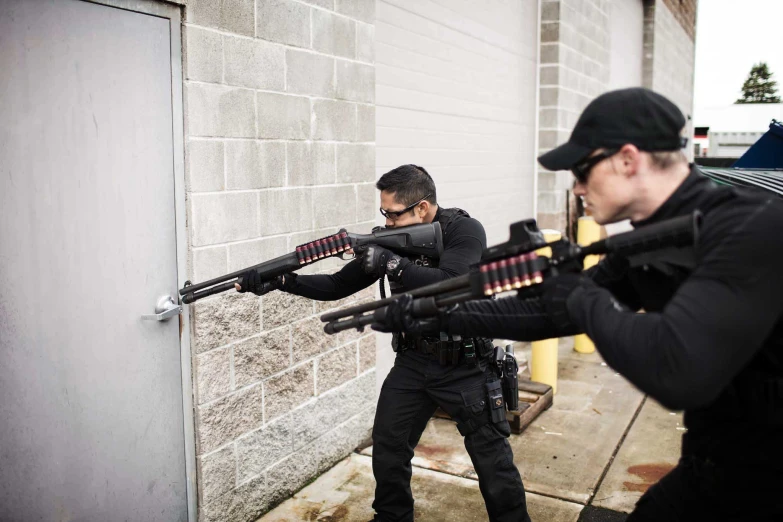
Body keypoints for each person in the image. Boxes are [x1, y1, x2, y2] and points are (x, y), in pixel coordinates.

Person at [373, 88, 783, 521]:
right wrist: (432, 312)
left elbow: (679, 370)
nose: (577, 187)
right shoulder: (655, 236)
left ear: (627, 159)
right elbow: (552, 312)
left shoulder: (751, 228)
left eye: (583, 170)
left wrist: (579, 295)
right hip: (716, 465)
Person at [237, 165, 530, 522]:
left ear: (421, 208)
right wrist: (283, 280)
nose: (386, 222)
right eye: (383, 214)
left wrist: (392, 263)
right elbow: (335, 286)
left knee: (493, 464)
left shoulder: (464, 231)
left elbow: (453, 282)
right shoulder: (388, 242)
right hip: (412, 364)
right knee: (389, 450)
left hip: (466, 367)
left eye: (392, 214)